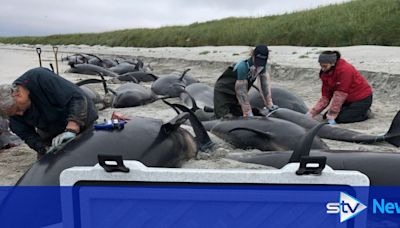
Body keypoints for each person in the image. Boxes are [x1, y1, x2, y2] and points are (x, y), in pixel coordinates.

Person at [0, 67, 98, 158]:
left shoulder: (40, 77)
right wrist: (44, 149)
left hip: (80, 116)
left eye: (18, 109)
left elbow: (77, 98)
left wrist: (72, 128)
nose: (20, 114)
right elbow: (27, 135)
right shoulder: (11, 110)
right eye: (14, 114)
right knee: (49, 159)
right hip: (49, 129)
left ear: (18, 95)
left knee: (90, 152)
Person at [307, 51, 373, 124]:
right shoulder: (325, 73)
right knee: (326, 116)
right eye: (321, 65)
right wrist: (312, 113)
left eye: (325, 66)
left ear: (332, 63)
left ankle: (366, 113)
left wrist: (332, 115)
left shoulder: (345, 70)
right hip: (347, 100)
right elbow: (325, 97)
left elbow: (340, 95)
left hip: (361, 98)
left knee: (340, 119)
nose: (323, 69)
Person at [213, 44, 278, 119]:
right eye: (258, 61)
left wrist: (269, 103)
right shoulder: (243, 66)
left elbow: (264, 86)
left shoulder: (261, 66)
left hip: (234, 96)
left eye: (262, 61)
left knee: (237, 115)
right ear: (253, 55)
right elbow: (241, 91)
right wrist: (247, 112)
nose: (259, 64)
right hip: (223, 92)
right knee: (223, 118)